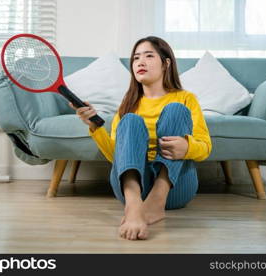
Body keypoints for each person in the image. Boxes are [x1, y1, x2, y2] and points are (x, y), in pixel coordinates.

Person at [68, 36, 212, 241]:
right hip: (132, 188)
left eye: (149, 56)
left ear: (166, 63)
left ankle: (157, 201)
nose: (140, 62)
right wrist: (95, 126)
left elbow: (206, 147)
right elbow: (115, 156)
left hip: (175, 188)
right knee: (131, 121)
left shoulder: (186, 98)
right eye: (136, 58)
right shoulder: (127, 105)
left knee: (176, 110)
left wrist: (187, 147)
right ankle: (134, 206)